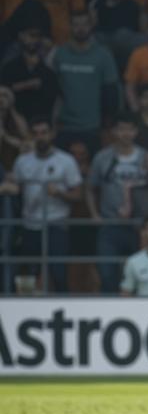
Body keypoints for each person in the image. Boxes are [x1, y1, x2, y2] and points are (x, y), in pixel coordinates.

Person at [9, 117, 82, 293]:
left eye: (44, 133)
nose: (40, 137)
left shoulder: (66, 161)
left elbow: (78, 194)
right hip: (30, 224)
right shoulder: (22, 161)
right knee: (28, 273)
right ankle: (25, 311)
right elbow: (16, 190)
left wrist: (59, 192)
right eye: (35, 134)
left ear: (52, 134)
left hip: (56, 223)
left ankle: (65, 310)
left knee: (58, 272)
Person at [86, 113, 147, 293]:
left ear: (136, 131)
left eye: (130, 129)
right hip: (109, 224)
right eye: (121, 129)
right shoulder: (102, 158)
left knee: (139, 274)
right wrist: (94, 214)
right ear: (114, 131)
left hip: (138, 225)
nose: (125, 133)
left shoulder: (144, 156)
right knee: (107, 273)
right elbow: (90, 188)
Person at [51, 10, 119, 155]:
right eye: (76, 24)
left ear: (91, 25)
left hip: (93, 126)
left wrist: (107, 126)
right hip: (64, 125)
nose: (80, 28)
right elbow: (52, 90)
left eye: (84, 24)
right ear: (70, 26)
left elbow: (111, 92)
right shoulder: (59, 54)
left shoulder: (103, 55)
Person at [0, 23, 59, 122]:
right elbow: (3, 94)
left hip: (40, 128)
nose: (33, 39)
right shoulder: (9, 68)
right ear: (20, 36)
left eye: (37, 36)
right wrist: (26, 85)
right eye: (30, 35)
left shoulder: (48, 73)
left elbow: (52, 100)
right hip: (13, 124)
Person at [0, 86, 30, 171]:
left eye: (5, 96)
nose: (1, 99)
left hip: (12, 156)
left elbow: (24, 136)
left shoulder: (17, 117)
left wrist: (5, 136)